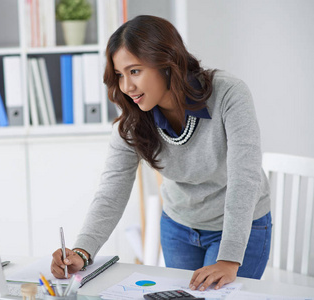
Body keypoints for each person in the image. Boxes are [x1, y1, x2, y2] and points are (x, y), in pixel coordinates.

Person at [51, 15, 272, 291]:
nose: (126, 87)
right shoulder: (133, 120)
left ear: (167, 62)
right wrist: (82, 252)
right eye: (119, 75)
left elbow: (245, 177)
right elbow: (111, 191)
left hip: (239, 228)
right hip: (179, 227)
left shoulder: (229, 94)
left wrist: (228, 258)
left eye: (134, 71)